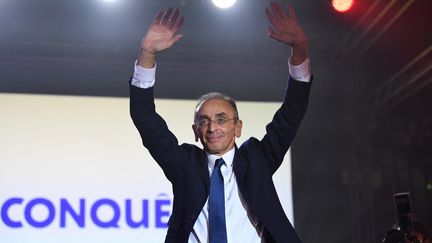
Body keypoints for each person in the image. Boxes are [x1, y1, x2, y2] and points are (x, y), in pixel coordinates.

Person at [129, 2, 312, 242]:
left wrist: (300, 49)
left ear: (238, 127)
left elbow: (292, 112)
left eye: (221, 119)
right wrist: (147, 55)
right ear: (195, 131)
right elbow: (145, 118)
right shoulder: (184, 164)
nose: (212, 127)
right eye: (204, 122)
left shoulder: (258, 159)